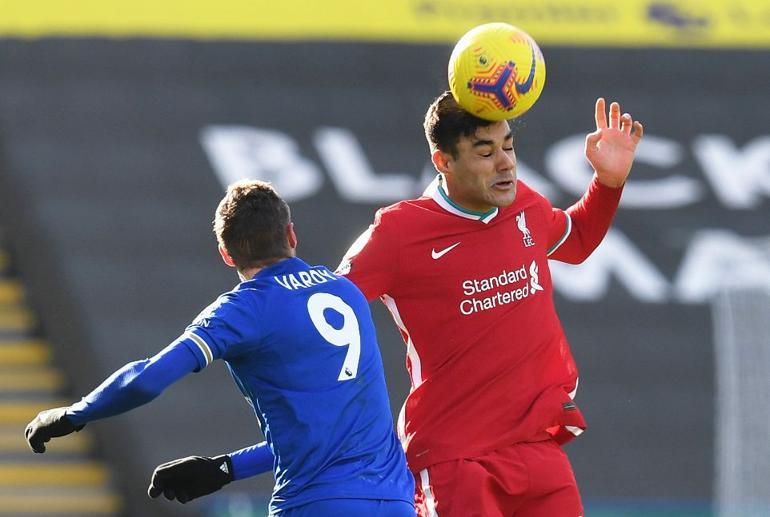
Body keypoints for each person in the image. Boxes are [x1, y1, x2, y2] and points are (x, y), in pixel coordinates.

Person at [141, 92, 643, 516]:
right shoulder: (398, 234)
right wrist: (232, 465)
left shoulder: (525, 205)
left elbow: (575, 239)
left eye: (509, 146)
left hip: (538, 448)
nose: (506, 162)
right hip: (454, 461)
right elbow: (316, 321)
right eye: (485, 150)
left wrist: (608, 183)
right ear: (444, 161)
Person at [24, 180, 415, 516]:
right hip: (396, 501)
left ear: (226, 254)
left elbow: (149, 378)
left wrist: (76, 413)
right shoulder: (344, 290)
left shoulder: (243, 309)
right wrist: (225, 469)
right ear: (291, 235)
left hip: (314, 503)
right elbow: (320, 436)